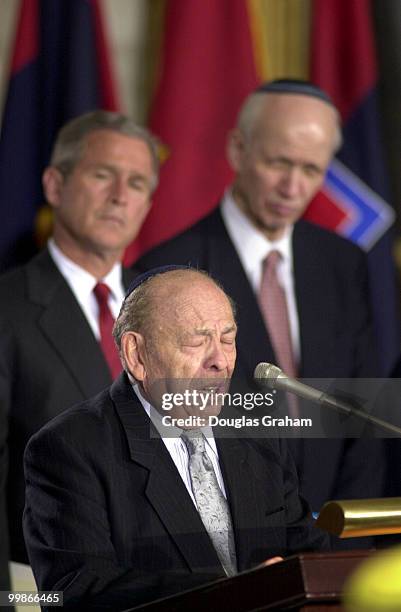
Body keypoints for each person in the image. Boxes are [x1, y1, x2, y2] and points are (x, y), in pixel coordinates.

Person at [136, 80, 384, 514]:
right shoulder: (168, 271)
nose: (293, 187)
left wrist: (345, 531)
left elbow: (362, 416)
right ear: (237, 150)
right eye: (278, 163)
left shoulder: (343, 263)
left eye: (311, 170)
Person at [23, 267, 328, 611]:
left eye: (228, 339)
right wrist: (235, 592)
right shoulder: (71, 449)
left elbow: (306, 551)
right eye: (197, 341)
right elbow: (77, 594)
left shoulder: (257, 430)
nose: (221, 361)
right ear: (137, 355)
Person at [0, 110, 159, 563]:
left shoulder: (171, 309)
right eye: (103, 175)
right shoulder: (7, 309)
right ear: (54, 186)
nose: (119, 197)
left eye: (136, 184)